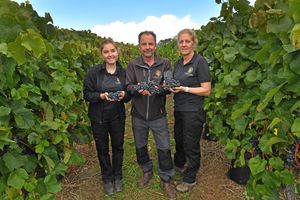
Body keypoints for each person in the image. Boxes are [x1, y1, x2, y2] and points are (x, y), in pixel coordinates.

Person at [126, 31, 176, 199]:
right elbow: (128, 85)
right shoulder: (133, 64)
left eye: (150, 44)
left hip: (158, 114)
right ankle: (146, 170)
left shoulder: (165, 64)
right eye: (144, 44)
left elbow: (169, 86)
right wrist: (138, 88)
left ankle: (166, 178)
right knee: (140, 145)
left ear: (155, 45)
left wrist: (157, 89)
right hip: (138, 115)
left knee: (164, 147)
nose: (147, 47)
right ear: (139, 46)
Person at [83, 38, 130, 195]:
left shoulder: (124, 72)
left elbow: (129, 94)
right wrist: (102, 96)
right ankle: (107, 178)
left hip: (117, 116)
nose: (110, 54)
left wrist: (125, 94)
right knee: (102, 149)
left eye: (113, 51)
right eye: (106, 52)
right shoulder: (94, 73)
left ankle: (118, 176)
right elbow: (87, 94)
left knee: (118, 146)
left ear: (117, 52)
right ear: (102, 55)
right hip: (99, 118)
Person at [170, 29, 211, 193]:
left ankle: (190, 178)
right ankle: (179, 165)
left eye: (187, 41)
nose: (184, 44)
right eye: (181, 41)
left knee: (191, 144)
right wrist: (172, 88)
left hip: (193, 110)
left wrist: (185, 88)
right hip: (179, 108)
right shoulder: (178, 63)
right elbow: (176, 84)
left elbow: (206, 90)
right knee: (178, 138)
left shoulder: (200, 62)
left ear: (193, 43)